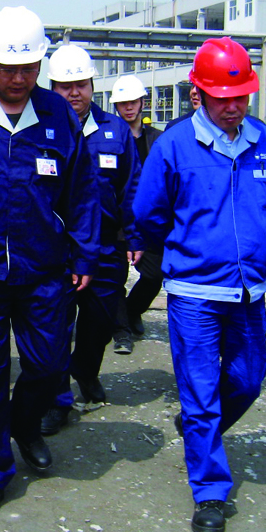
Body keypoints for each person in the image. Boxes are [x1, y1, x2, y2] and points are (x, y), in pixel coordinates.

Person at [0, 7, 99, 519]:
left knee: (50, 365)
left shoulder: (58, 114)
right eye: (7, 69)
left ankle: (24, 424)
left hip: (44, 270)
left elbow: (82, 190)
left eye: (28, 69)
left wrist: (84, 251)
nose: (17, 79)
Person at [133, 37, 266, 532]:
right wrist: (190, 248)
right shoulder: (175, 146)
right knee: (199, 393)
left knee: (248, 380)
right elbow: (148, 214)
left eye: (241, 96)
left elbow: (263, 208)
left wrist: (256, 251)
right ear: (200, 93)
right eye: (223, 97)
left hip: (248, 290)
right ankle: (211, 491)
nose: (233, 106)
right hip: (195, 292)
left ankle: (200, 428)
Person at [42, 46, 143, 436]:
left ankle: (85, 370)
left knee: (100, 322)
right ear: (52, 87)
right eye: (65, 86)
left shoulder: (115, 131)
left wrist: (134, 235)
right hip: (59, 249)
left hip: (106, 247)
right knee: (55, 327)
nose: (74, 93)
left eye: (81, 85)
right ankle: (57, 399)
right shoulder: (42, 128)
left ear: (92, 86)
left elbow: (132, 186)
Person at [106, 75, 163, 355]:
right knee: (116, 277)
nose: (128, 108)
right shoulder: (109, 136)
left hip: (149, 218)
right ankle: (121, 332)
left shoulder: (157, 139)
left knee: (154, 274)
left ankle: (131, 310)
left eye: (133, 102)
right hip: (117, 217)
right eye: (122, 103)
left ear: (142, 103)